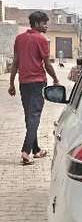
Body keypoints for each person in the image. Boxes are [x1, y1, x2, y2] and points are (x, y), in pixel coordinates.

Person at [8, 10, 59, 165]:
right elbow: (47, 64)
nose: (46, 26)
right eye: (44, 23)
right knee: (34, 117)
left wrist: (11, 83)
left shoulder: (19, 39)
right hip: (37, 83)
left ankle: (36, 150)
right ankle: (26, 151)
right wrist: (56, 79)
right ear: (37, 23)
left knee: (29, 116)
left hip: (24, 83)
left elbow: (15, 62)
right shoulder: (42, 40)